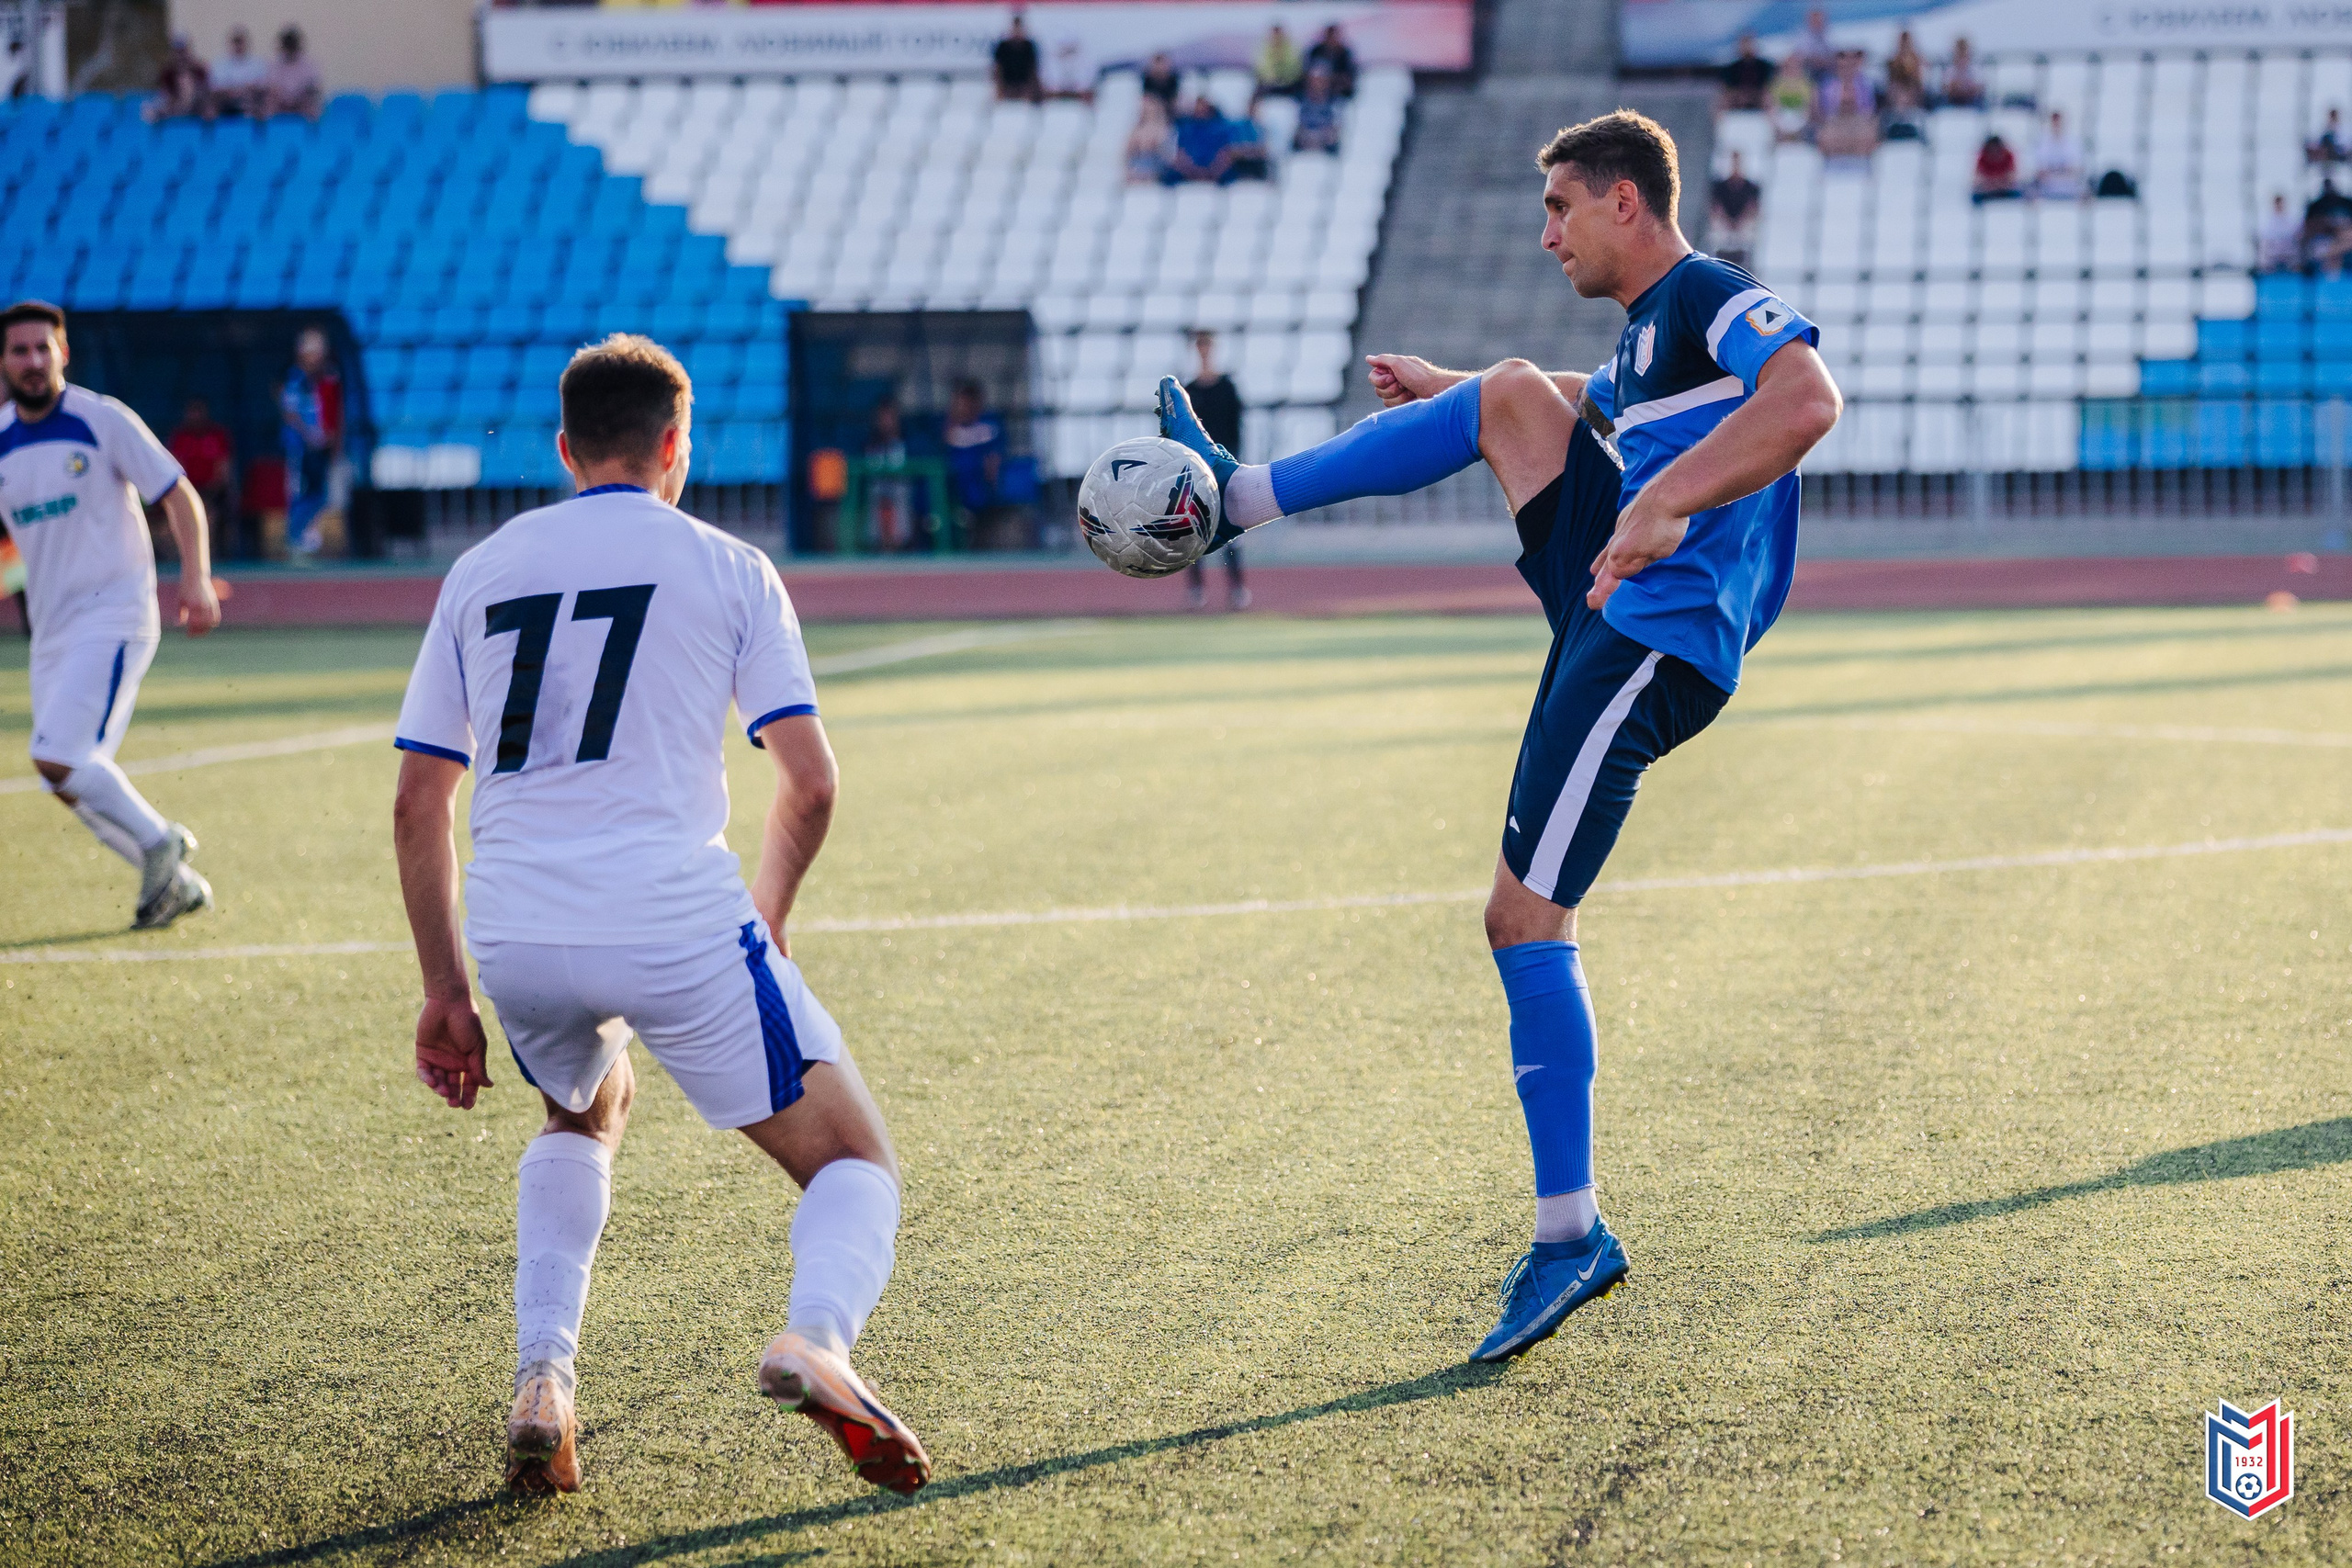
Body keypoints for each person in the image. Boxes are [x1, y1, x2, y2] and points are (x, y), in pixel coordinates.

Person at [1153, 109, 1838, 1361]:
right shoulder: (1646, 334)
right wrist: (1455, 392)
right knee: (1514, 392)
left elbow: (1807, 397)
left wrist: (1664, 502)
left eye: (1561, 208)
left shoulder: (1707, 294)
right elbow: (1587, 403)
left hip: (1656, 636)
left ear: (1625, 201)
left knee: (1523, 918)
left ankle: (1571, 1236)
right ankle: (1237, 496)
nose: (1546, 235)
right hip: (1616, 600)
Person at [391, 334, 930, 1498]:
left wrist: (445, 993)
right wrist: (766, 916)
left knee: (583, 1108)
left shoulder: (481, 568)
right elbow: (811, 783)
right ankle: (817, 1339)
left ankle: (544, 1379)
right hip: (674, 918)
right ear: (678, 445)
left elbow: (418, 802)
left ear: (564, 449)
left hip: (518, 928)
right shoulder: (731, 566)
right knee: (855, 1161)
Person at [0, 299, 220, 930]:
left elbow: (178, 494)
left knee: (57, 755)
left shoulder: (103, 419)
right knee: (63, 777)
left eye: (43, 348)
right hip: (50, 630)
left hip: (115, 614)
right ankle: (176, 885)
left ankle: (161, 840)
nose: (33, 361)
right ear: (4, 362)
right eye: (19, 350)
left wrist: (196, 578)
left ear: (63, 353)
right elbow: (14, 546)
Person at [1182, 332, 1248, 612]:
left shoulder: (1227, 388)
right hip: (1196, 471)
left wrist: (1232, 465)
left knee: (1230, 528)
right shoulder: (1189, 390)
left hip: (1223, 470)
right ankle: (1197, 591)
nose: (1204, 350)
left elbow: (1236, 429)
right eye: (1200, 345)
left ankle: (1237, 589)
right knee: (1194, 530)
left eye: (1207, 345)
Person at [280, 326, 343, 557]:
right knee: (301, 492)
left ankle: (303, 537)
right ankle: (294, 539)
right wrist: (309, 435)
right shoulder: (296, 378)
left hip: (320, 447)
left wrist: (331, 438)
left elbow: (334, 411)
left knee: (321, 494)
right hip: (300, 447)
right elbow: (290, 414)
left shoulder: (327, 377)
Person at [167, 396, 236, 560]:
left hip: (213, 490)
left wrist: (212, 493)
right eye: (192, 412)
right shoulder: (180, 436)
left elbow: (224, 469)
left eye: (198, 412)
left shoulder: (217, 435)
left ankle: (214, 557)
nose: (195, 416)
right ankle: (180, 556)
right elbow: (174, 470)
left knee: (215, 510)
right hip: (187, 489)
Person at [942, 378, 1001, 536]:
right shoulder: (946, 432)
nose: (963, 409)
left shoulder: (988, 429)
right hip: (952, 496)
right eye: (959, 404)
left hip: (981, 497)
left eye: (967, 404)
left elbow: (994, 461)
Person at [1815, 51, 1879, 161]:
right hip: (1835, 121)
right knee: (1824, 136)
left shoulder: (1865, 85)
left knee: (1869, 135)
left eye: (1850, 66)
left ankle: (1860, 162)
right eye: (1843, 67)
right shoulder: (1828, 85)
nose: (1847, 70)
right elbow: (1825, 111)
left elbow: (1869, 109)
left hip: (1858, 120)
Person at [1710, 150, 1760, 267]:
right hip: (1724, 225)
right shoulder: (1720, 186)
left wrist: (1739, 223)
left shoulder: (1751, 187)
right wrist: (1728, 222)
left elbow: (1753, 208)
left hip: (1743, 225)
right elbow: (1716, 208)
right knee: (1718, 228)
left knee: (1749, 229)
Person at [1167, 95, 1233, 185]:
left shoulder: (1221, 128)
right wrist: (1192, 172)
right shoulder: (1185, 128)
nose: (1200, 108)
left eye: (1203, 105)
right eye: (1198, 105)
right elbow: (1180, 153)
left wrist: (1214, 172)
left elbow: (1225, 153)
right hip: (1189, 170)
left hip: (1215, 171)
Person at [144, 34, 209, 124]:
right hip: (175, 105)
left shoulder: (198, 70)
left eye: (183, 51)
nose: (180, 56)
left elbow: (205, 92)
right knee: (150, 110)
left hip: (195, 106)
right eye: (177, 52)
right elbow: (165, 94)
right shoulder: (168, 72)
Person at [261, 26, 321, 120]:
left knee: (311, 101)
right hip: (280, 102)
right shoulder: (275, 64)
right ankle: (269, 126)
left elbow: (313, 85)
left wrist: (296, 97)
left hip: (300, 101)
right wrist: (284, 98)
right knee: (269, 100)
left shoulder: (308, 64)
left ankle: (311, 127)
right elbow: (271, 85)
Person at [209, 25, 266, 118]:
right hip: (226, 104)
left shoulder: (257, 63)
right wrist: (238, 91)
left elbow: (261, 87)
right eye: (236, 42)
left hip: (250, 104)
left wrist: (241, 90)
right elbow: (216, 88)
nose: (238, 45)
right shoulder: (220, 64)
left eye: (241, 41)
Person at [2031, 110, 2084, 198]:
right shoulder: (2042, 143)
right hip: (2046, 191)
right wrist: (2062, 171)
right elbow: (2040, 172)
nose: (2057, 125)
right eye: (2054, 123)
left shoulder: (2073, 143)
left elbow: (2076, 170)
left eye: (2059, 122)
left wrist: (2054, 172)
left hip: (2071, 191)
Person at [1765, 52, 1815, 143]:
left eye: (1795, 65)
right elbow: (1769, 106)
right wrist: (1779, 125)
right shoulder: (1775, 84)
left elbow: (1812, 108)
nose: (1792, 68)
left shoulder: (1808, 84)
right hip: (1779, 124)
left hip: (1802, 124)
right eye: (1788, 66)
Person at [991, 15, 1040, 104]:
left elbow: (1033, 69)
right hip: (1006, 86)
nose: (1017, 31)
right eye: (1015, 28)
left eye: (1019, 28)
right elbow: (997, 69)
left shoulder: (1028, 46)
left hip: (1024, 86)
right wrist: (999, 88)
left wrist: (1032, 89)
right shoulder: (1003, 46)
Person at [1125, 94, 1172, 185]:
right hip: (1137, 167)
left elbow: (1167, 155)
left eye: (1148, 108)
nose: (1145, 111)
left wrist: (1154, 146)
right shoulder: (1136, 129)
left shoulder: (1164, 128)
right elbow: (1128, 153)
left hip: (1156, 167)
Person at [1293, 67, 1342, 155]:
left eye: (1320, 81)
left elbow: (1335, 128)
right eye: (1313, 81)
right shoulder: (1299, 100)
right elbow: (1296, 127)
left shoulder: (1335, 102)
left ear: (1327, 83)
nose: (1317, 84)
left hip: (1325, 145)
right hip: (1303, 143)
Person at [1719, 34, 1773, 113]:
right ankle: (1723, 120)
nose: (1747, 48)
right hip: (1737, 95)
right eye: (1744, 45)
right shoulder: (1731, 68)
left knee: (1767, 97)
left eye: (1749, 44)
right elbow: (1728, 86)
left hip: (1757, 94)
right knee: (1723, 99)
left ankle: (1772, 119)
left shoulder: (1764, 66)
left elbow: (1767, 85)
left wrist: (1753, 93)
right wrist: (1740, 93)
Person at [1253, 23, 1303, 102]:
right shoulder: (1264, 49)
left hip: (1289, 84)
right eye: (1275, 35)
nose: (1277, 38)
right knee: (1256, 94)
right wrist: (1272, 76)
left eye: (1279, 35)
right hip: (1269, 85)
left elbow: (1295, 69)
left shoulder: (1292, 49)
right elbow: (1261, 69)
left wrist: (1283, 74)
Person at [1305, 24, 1356, 98]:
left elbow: (1349, 73)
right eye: (1329, 37)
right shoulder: (1316, 51)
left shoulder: (1345, 53)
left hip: (1336, 85)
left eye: (1334, 37)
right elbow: (1310, 69)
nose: (1331, 40)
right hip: (1318, 83)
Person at [1972, 132, 2020, 202]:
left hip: (2005, 189)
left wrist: (1999, 184)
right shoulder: (1982, 158)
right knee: (1976, 197)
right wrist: (1991, 184)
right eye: (1992, 148)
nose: (1994, 151)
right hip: (1988, 190)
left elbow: (2012, 176)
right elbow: (1978, 178)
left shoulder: (2008, 156)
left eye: (1996, 148)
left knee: (2019, 194)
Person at [1939, 36, 1985, 109]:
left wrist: (1970, 88)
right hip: (1952, 102)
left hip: (1972, 102)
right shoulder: (1950, 70)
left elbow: (1980, 89)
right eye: (1959, 54)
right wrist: (1954, 88)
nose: (1961, 57)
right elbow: (1945, 89)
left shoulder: (1975, 69)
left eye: (1964, 54)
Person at [2260, 193, 2302, 273]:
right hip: (2273, 252)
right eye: (2277, 204)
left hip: (2289, 250)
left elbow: (2296, 234)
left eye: (2281, 204)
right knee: (2264, 248)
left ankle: (2297, 272)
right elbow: (2266, 237)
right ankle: (2266, 272)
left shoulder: (2291, 220)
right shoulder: (2268, 221)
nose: (2279, 206)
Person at [1139, 51, 1181, 116]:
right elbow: (1146, 96)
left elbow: (1175, 96)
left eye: (1162, 64)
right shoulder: (1148, 79)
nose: (1160, 68)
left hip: (1170, 105)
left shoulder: (1172, 78)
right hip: (1154, 105)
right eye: (1158, 64)